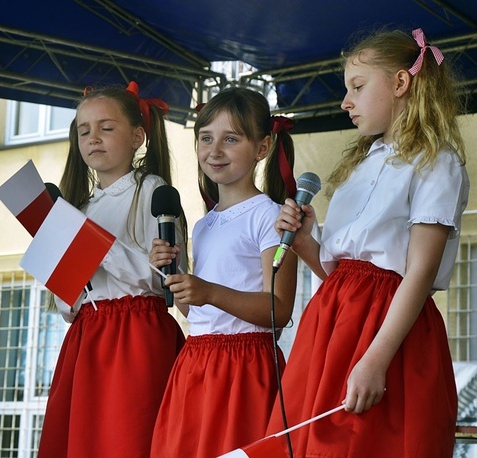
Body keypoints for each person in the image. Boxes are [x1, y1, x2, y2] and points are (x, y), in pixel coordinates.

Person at [267, 27, 469, 457]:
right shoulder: (360, 166)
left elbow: (418, 272)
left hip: (386, 330)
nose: (345, 101)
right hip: (332, 323)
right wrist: (306, 243)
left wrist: (376, 359)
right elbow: (338, 276)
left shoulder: (438, 161)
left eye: (358, 86)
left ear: (400, 83)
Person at [36, 81, 187, 458]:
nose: (93, 139)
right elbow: (67, 307)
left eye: (106, 127)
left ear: (137, 136)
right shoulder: (81, 205)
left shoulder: (152, 189)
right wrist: (58, 264)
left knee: (126, 437)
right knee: (83, 440)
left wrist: (87, 242)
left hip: (136, 331)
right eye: (83, 131)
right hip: (88, 334)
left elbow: (161, 279)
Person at [148, 87, 299, 457]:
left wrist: (209, 291)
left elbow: (279, 309)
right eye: (205, 138)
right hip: (196, 363)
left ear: (262, 148)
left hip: (245, 368)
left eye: (230, 139)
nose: (214, 151)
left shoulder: (271, 216)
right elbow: (201, 313)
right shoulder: (203, 225)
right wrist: (178, 277)